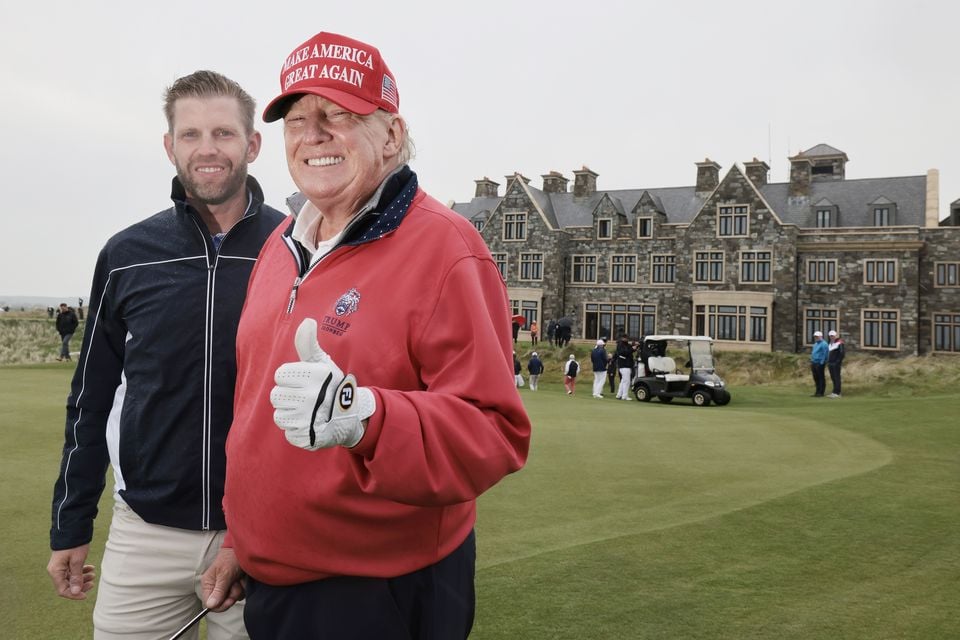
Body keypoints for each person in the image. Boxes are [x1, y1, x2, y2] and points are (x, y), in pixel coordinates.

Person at [206, 31, 531, 640]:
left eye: (338, 114)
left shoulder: (449, 249)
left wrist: (364, 415)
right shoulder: (281, 246)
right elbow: (253, 414)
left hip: (379, 592)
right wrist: (240, 537)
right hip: (273, 578)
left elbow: (495, 432)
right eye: (297, 120)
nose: (314, 134)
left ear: (390, 134)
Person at [47, 70, 285, 639]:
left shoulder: (294, 247)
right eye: (191, 134)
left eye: (225, 134)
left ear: (252, 145)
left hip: (261, 535)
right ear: (169, 145)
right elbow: (91, 397)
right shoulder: (127, 254)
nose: (208, 149)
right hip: (146, 533)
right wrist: (71, 522)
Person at [615, 335, 635, 400]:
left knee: (623, 381)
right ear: (622, 338)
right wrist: (632, 349)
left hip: (626, 365)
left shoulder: (626, 345)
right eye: (625, 338)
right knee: (627, 381)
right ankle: (625, 396)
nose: (627, 339)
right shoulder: (620, 345)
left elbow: (629, 350)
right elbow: (624, 352)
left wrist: (633, 347)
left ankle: (619, 395)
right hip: (624, 365)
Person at [827, 329, 845, 398]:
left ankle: (838, 392)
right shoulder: (830, 343)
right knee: (833, 377)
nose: (832, 337)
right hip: (830, 363)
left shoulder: (839, 343)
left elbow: (842, 354)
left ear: (836, 336)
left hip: (835, 364)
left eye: (833, 336)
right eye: (830, 336)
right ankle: (834, 392)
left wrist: (837, 362)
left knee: (837, 377)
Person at [810, 330, 828, 397]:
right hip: (814, 362)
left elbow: (825, 354)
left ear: (821, 336)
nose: (816, 338)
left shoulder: (824, 344)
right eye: (815, 337)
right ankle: (817, 392)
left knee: (821, 377)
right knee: (816, 378)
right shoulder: (815, 344)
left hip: (820, 363)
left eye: (817, 336)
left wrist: (822, 362)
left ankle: (821, 392)